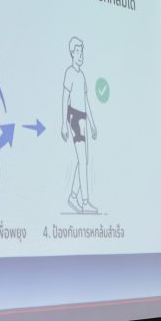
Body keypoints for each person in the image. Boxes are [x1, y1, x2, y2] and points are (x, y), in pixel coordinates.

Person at [61, 37, 99, 214]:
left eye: (82, 51)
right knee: (82, 160)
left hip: (83, 118)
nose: (80, 55)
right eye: (77, 52)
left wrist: (92, 124)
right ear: (72, 53)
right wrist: (63, 123)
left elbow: (86, 100)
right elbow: (64, 99)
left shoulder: (82, 75)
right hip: (74, 117)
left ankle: (73, 196)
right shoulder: (69, 73)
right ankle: (84, 201)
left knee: (84, 160)